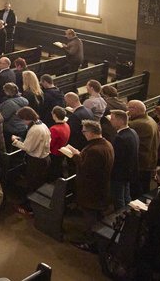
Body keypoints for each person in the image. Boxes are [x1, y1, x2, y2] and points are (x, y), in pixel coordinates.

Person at [63, 119, 113, 251]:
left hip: (92, 190)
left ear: (91, 133)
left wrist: (75, 156)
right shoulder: (106, 143)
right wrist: (79, 153)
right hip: (101, 187)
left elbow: (86, 169)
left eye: (84, 131)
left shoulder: (95, 150)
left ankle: (91, 243)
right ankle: (99, 238)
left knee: (90, 216)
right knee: (97, 215)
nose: (83, 133)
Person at [11, 107, 50, 212]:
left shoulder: (34, 129)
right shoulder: (42, 124)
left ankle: (30, 208)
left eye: (22, 119)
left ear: (27, 118)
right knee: (38, 184)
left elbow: (28, 148)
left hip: (36, 161)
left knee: (33, 184)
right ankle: (34, 206)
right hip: (44, 158)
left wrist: (15, 141)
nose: (23, 122)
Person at [127, 99, 159, 198]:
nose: (127, 110)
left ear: (135, 109)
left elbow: (121, 129)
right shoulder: (150, 119)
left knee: (138, 189)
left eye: (129, 108)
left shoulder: (138, 124)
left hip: (141, 162)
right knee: (144, 186)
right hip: (149, 160)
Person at [109, 110, 138, 210]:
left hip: (119, 173)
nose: (110, 121)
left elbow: (117, 158)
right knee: (126, 195)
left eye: (112, 119)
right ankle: (128, 214)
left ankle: (121, 218)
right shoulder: (133, 132)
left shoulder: (120, 137)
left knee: (119, 198)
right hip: (129, 170)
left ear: (120, 121)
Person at [48, 106, 71, 178]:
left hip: (54, 153)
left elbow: (50, 144)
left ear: (54, 115)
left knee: (53, 170)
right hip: (62, 151)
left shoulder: (54, 129)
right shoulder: (66, 125)